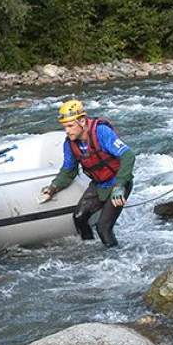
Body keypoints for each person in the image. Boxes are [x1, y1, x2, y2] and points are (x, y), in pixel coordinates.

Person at [40, 99, 137, 248]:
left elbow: (128, 155)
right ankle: (90, 250)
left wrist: (120, 186)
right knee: (79, 217)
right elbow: (69, 170)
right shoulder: (70, 144)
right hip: (99, 185)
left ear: (83, 121)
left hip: (118, 183)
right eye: (65, 126)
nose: (67, 130)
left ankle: (115, 258)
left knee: (103, 228)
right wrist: (53, 187)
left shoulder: (102, 132)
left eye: (70, 126)